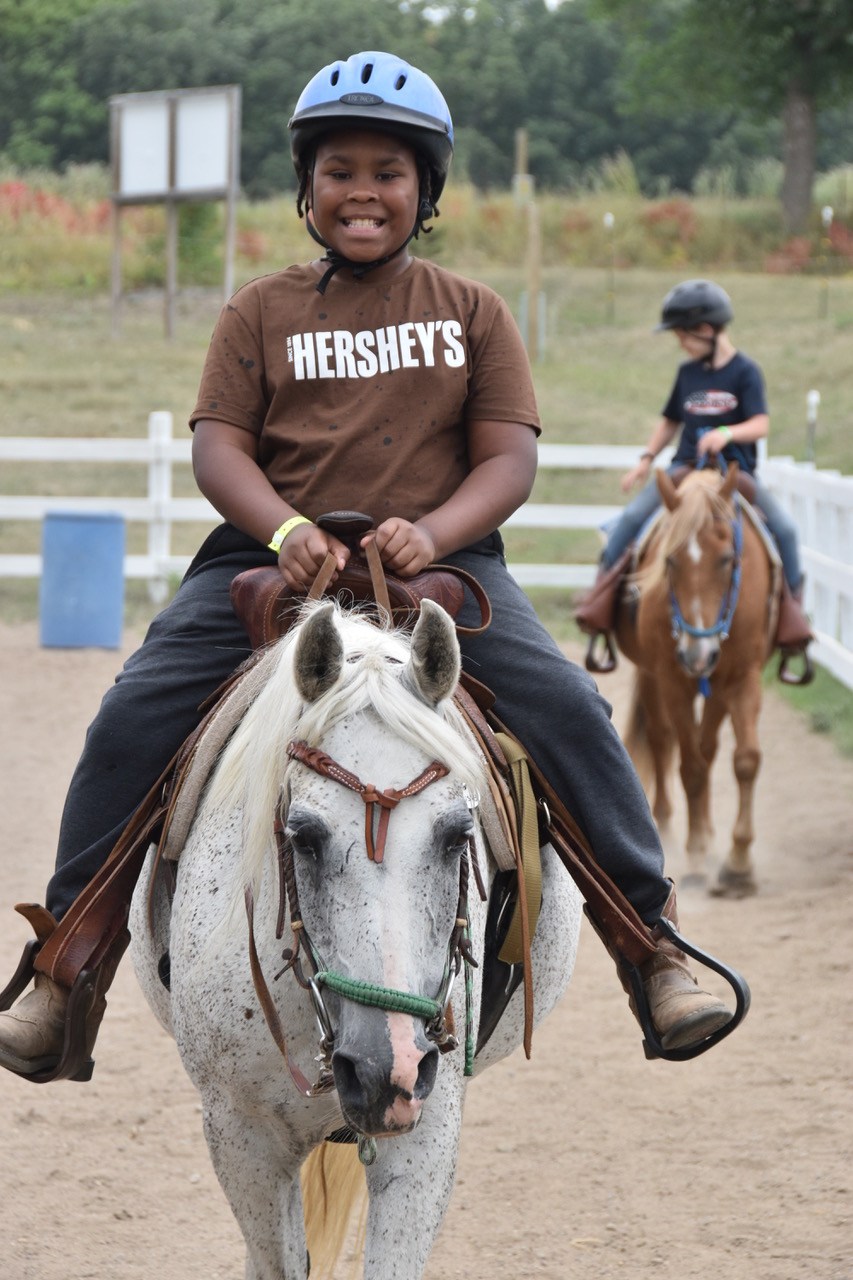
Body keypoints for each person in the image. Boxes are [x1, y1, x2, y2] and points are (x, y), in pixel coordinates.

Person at [0, 52, 738, 1081]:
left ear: (423, 191)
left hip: (440, 568)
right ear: (306, 188)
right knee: (132, 716)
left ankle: (650, 950)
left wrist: (434, 531)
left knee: (568, 709)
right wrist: (281, 530)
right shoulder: (259, 310)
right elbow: (220, 449)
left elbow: (507, 459)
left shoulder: (472, 310)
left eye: (388, 173)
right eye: (338, 170)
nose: (362, 192)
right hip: (268, 567)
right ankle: (66, 966)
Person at [574, 278, 812, 652]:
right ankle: (600, 604)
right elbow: (670, 421)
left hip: (734, 476)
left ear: (706, 329)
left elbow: (760, 424)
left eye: (682, 334)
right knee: (632, 519)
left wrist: (726, 433)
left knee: (785, 530)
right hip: (686, 469)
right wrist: (646, 459)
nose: (680, 342)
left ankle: (792, 620)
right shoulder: (688, 374)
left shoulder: (745, 372)